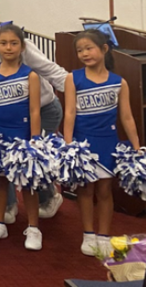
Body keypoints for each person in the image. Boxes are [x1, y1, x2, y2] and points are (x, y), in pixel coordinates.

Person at [0, 9, 67, 220]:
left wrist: (78, 89)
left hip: (43, 109)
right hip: (7, 116)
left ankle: (49, 196)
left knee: (34, 157)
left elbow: (50, 70)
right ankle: (9, 206)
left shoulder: (21, 46)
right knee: (4, 157)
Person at [63, 29, 141, 257]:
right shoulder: (73, 78)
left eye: (89, 48)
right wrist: (69, 145)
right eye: (80, 50)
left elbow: (127, 117)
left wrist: (136, 147)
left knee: (106, 190)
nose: (84, 53)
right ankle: (88, 234)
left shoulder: (119, 82)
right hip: (82, 143)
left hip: (108, 142)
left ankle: (104, 235)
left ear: (104, 49)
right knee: (86, 190)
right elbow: (69, 113)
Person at [0, 24, 43, 251]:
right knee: (0, 180)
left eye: (14, 43)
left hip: (22, 137)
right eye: (3, 43)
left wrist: (34, 139)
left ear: (22, 46)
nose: (8, 47)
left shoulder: (30, 75)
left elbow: (35, 109)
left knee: (28, 183)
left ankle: (33, 227)